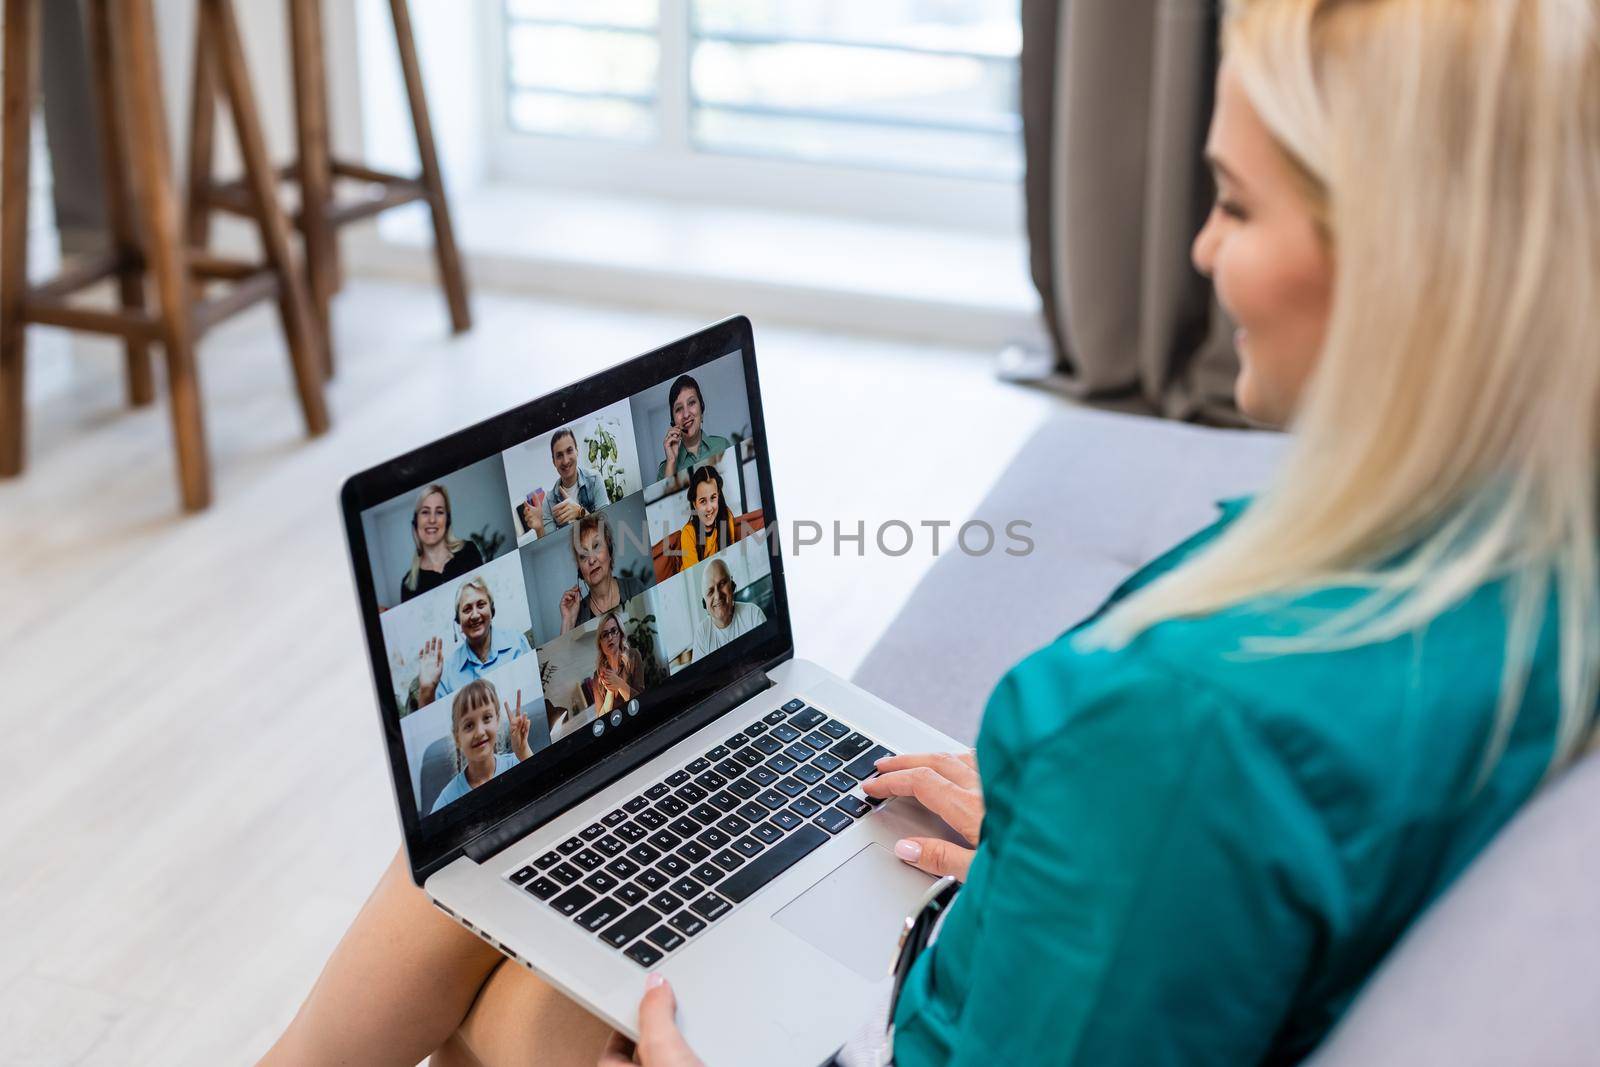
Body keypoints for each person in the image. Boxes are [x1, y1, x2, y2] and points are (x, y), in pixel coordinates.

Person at [261, 2, 1600, 1065]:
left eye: (1238, 204)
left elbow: (1175, 792)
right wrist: (1043, 839)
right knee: (505, 871)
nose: (1197, 252)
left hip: (904, 1016)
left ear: (1414, 259)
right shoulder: (1529, 562)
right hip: (996, 924)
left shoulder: (1175, 726)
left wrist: (1084, 813)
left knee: (489, 926)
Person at [417, 577, 533, 707]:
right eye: (467, 609)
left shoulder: (517, 641)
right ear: (458, 621)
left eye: (481, 605)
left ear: (492, 610)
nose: (475, 615)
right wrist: (426, 690)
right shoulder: (447, 671)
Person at [428, 679, 533, 815]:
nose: (479, 732)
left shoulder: (517, 762)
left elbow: (547, 789)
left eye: (487, 717)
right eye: (469, 725)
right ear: (457, 738)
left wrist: (523, 751)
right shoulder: (447, 799)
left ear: (497, 721)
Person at [559, 513, 647, 635]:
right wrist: (568, 620)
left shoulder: (635, 587)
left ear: (609, 550)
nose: (591, 560)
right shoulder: (578, 613)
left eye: (596, 546)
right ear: (580, 571)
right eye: (583, 556)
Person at [519, 428, 612, 540]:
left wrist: (580, 512)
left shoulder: (595, 479)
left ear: (577, 451)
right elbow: (551, 545)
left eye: (569, 451)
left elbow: (607, 528)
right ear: (554, 462)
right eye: (559, 455)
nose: (565, 461)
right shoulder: (549, 501)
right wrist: (539, 529)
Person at [398, 484, 484, 603]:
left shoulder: (468, 551)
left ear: (447, 520)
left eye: (439, 512)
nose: (432, 519)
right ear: (415, 522)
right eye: (425, 512)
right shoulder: (408, 584)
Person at [656, 374, 732, 481]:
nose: (686, 414)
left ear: (701, 409)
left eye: (691, 403)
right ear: (673, 421)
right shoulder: (664, 469)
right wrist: (671, 462)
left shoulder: (723, 445)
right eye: (679, 409)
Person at [689, 557, 766, 661]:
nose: (717, 596)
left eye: (722, 584)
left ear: (732, 585)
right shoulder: (702, 635)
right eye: (710, 591)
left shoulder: (753, 614)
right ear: (704, 603)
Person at [580, 610, 646, 720]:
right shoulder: (598, 675)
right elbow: (601, 717)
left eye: (614, 631)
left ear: (620, 634)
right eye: (605, 634)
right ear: (600, 643)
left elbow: (642, 702)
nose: (610, 637)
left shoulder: (634, 655)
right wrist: (610, 691)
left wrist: (619, 684)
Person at [675, 465, 740, 569]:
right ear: (695, 504)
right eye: (703, 501)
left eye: (713, 498)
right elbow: (695, 576)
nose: (709, 508)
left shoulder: (726, 516)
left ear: (718, 496)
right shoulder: (688, 533)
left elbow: (731, 559)